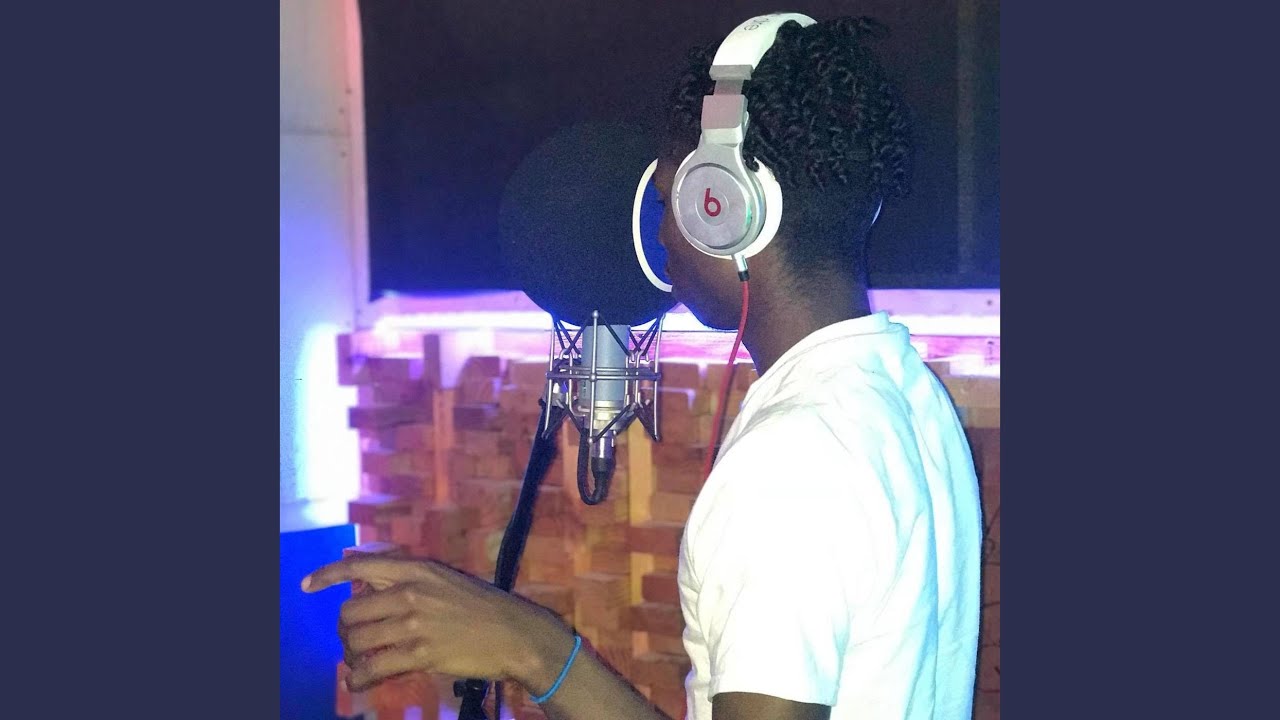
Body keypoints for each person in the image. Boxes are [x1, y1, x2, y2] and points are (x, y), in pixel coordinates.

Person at [303, 14, 984, 720]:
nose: (660, 235)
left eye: (667, 201)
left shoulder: (789, 464)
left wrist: (533, 650)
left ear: (725, 209)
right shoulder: (909, 393)